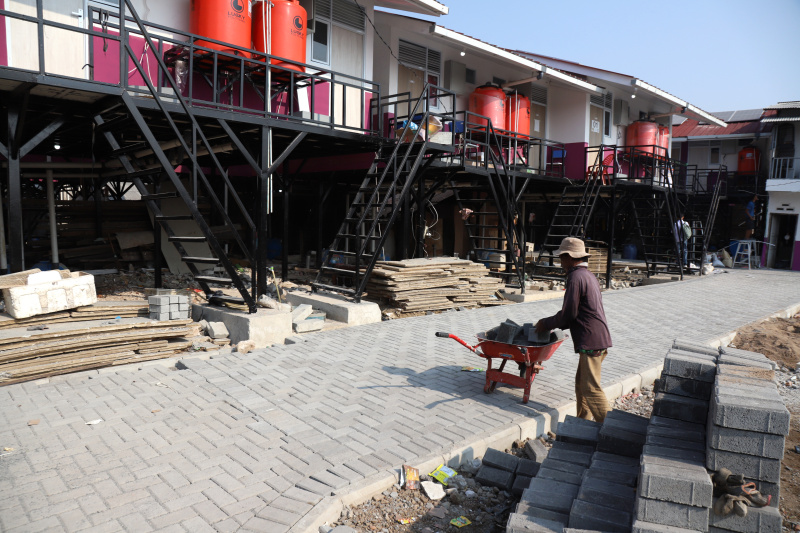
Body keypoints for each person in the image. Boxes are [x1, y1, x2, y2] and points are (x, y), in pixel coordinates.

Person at [535, 237, 612, 423]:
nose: (561, 262)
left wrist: (545, 323)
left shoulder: (576, 277)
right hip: (596, 337)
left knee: (591, 389)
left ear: (570, 257)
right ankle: (582, 425)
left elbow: (569, 313)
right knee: (581, 386)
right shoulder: (588, 275)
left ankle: (613, 428)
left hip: (591, 340)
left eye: (562, 258)